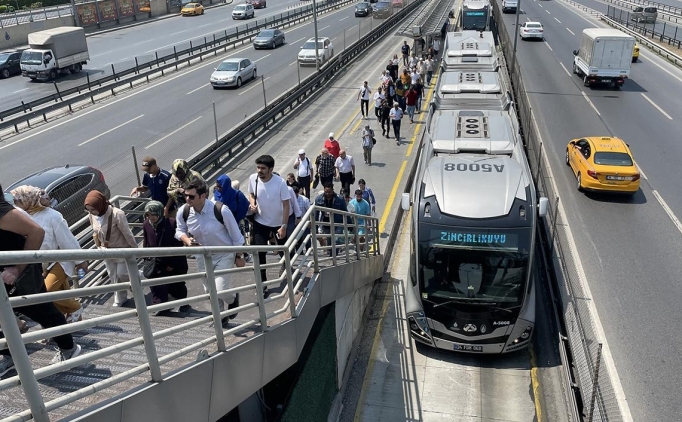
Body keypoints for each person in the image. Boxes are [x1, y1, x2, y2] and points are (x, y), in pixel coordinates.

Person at [1, 183, 81, 376]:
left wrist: (17, 268)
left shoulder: (2, 211)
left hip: (21, 274)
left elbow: (36, 231)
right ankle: (10, 356)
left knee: (41, 310)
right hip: (5, 274)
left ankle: (69, 349)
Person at [10, 186, 86, 324]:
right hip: (40, 264)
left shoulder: (53, 216)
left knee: (47, 292)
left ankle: (75, 308)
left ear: (28, 200)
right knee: (57, 293)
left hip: (59, 260)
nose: (15, 203)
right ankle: (64, 323)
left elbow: (67, 240)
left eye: (18, 200)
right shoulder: (23, 216)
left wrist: (80, 261)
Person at [176, 179, 244, 325]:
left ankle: (233, 298)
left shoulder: (220, 210)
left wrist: (239, 255)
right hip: (202, 255)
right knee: (210, 291)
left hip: (223, 254)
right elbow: (179, 230)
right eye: (185, 196)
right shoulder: (184, 211)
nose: (187, 199)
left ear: (203, 196)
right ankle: (220, 317)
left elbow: (236, 236)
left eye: (191, 196)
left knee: (220, 289)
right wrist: (187, 240)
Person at [85, 190, 138, 307]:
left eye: (93, 209)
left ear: (100, 204)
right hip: (106, 251)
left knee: (122, 274)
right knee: (113, 275)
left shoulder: (117, 214)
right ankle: (120, 298)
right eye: (88, 210)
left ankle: (139, 281)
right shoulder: (91, 216)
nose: (91, 212)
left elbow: (127, 233)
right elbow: (96, 232)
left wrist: (136, 250)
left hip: (121, 250)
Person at [248, 155, 291, 288]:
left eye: (263, 168)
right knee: (259, 253)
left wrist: (283, 226)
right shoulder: (253, 179)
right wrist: (252, 203)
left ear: (271, 169)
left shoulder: (280, 183)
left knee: (285, 249)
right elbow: (251, 194)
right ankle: (262, 283)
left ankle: (286, 269)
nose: (259, 171)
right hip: (260, 222)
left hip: (278, 223)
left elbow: (286, 205)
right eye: (258, 167)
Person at [142, 201, 190, 316]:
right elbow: (146, 242)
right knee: (156, 283)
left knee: (176, 284)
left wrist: (172, 264)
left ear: (159, 213)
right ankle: (160, 305)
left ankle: (183, 303)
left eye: (153, 214)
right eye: (148, 215)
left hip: (173, 260)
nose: (151, 217)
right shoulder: (146, 224)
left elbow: (178, 244)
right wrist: (146, 258)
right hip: (155, 261)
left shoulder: (171, 223)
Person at [314, 183, 348, 253]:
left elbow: (345, 212)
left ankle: (335, 255)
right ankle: (332, 257)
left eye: (329, 192)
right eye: (326, 192)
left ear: (333, 190)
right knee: (329, 243)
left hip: (337, 223)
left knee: (336, 240)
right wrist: (315, 228)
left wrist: (349, 225)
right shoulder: (319, 199)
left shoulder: (340, 199)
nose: (328, 194)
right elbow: (316, 215)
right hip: (326, 224)